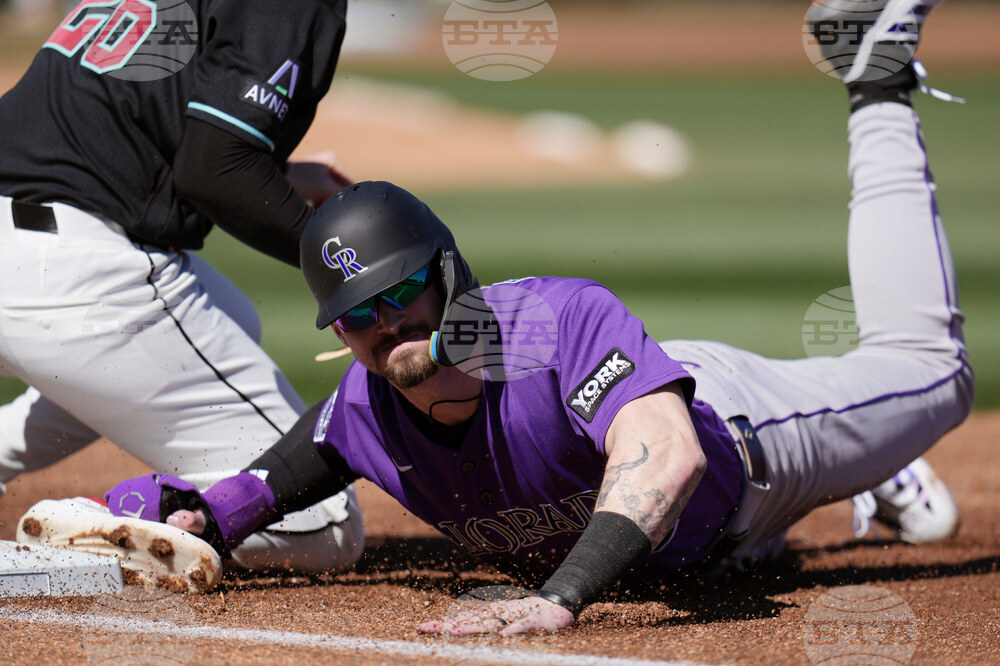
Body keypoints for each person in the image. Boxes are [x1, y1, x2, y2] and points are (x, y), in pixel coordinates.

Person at [104, 0, 971, 635]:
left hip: (753, 444)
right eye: (357, 314)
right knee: (762, 547)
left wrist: (560, 597)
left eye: (401, 293)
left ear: (450, 274)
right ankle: (882, 485)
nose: (387, 324)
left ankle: (875, 80)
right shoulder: (360, 413)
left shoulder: (558, 321)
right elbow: (261, 488)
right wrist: (193, 520)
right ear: (338, 333)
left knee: (935, 371)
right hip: (693, 539)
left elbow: (669, 457)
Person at [0, 0, 364, 574]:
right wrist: (351, 272)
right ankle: (118, 523)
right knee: (326, 524)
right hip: (75, 276)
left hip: (29, 245)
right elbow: (214, 168)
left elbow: (123, 127)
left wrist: (285, 179)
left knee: (234, 317)